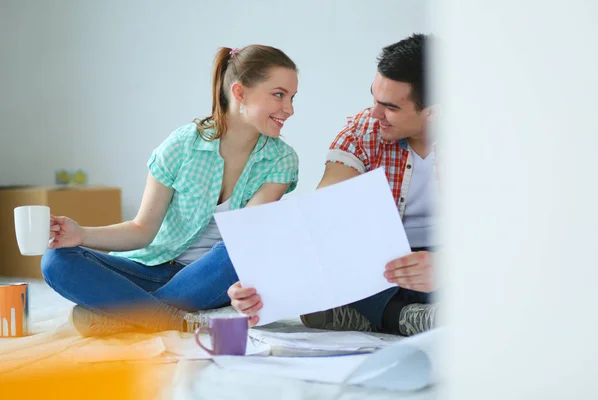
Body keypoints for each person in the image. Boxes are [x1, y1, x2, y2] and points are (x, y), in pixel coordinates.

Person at [41, 45, 300, 337]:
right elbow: (142, 230)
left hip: (212, 278)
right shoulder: (182, 145)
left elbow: (249, 240)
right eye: (279, 95)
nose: (289, 109)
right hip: (149, 269)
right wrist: (81, 235)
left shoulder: (281, 160)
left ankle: (126, 314)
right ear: (239, 93)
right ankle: (174, 320)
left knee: (239, 248)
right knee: (55, 260)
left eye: (292, 98)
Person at [228, 34, 439, 336]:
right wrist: (261, 281)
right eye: (374, 97)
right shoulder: (361, 133)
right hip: (383, 266)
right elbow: (320, 219)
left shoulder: (487, 144)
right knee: (331, 269)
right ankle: (406, 316)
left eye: (390, 107)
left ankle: (380, 315)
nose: (374, 113)